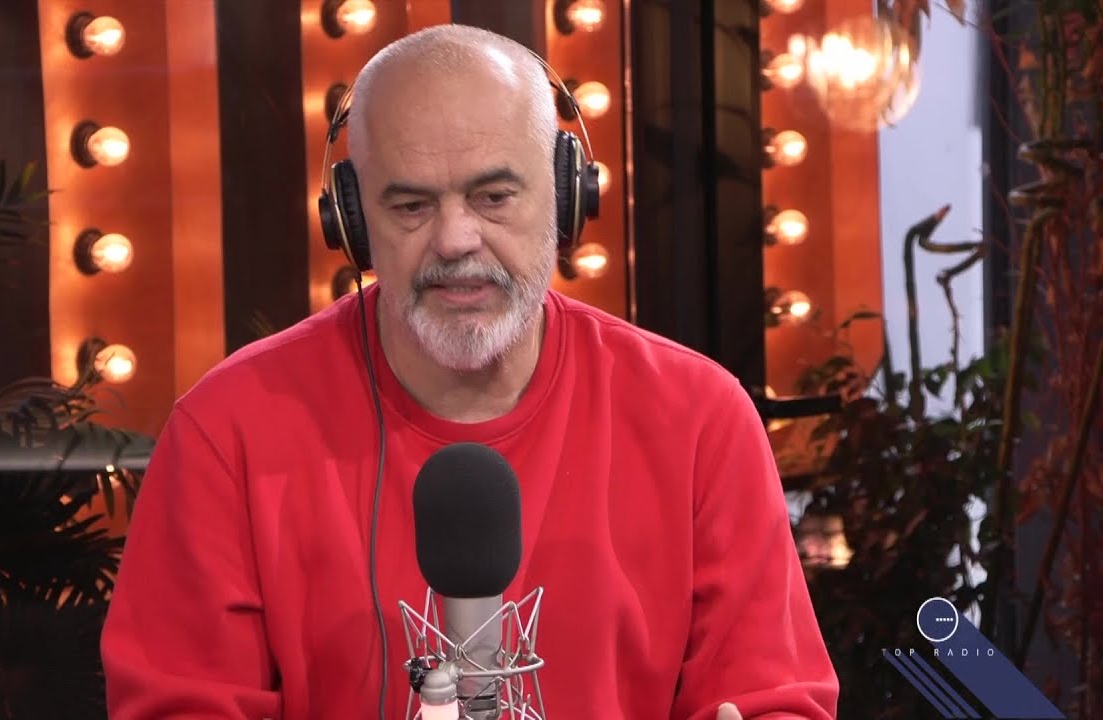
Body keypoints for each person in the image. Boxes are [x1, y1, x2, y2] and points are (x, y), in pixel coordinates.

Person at [100, 23, 839, 719]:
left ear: (567, 196)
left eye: (493, 197)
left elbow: (773, 696)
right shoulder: (228, 433)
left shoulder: (699, 418)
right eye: (411, 205)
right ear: (352, 222)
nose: (456, 239)